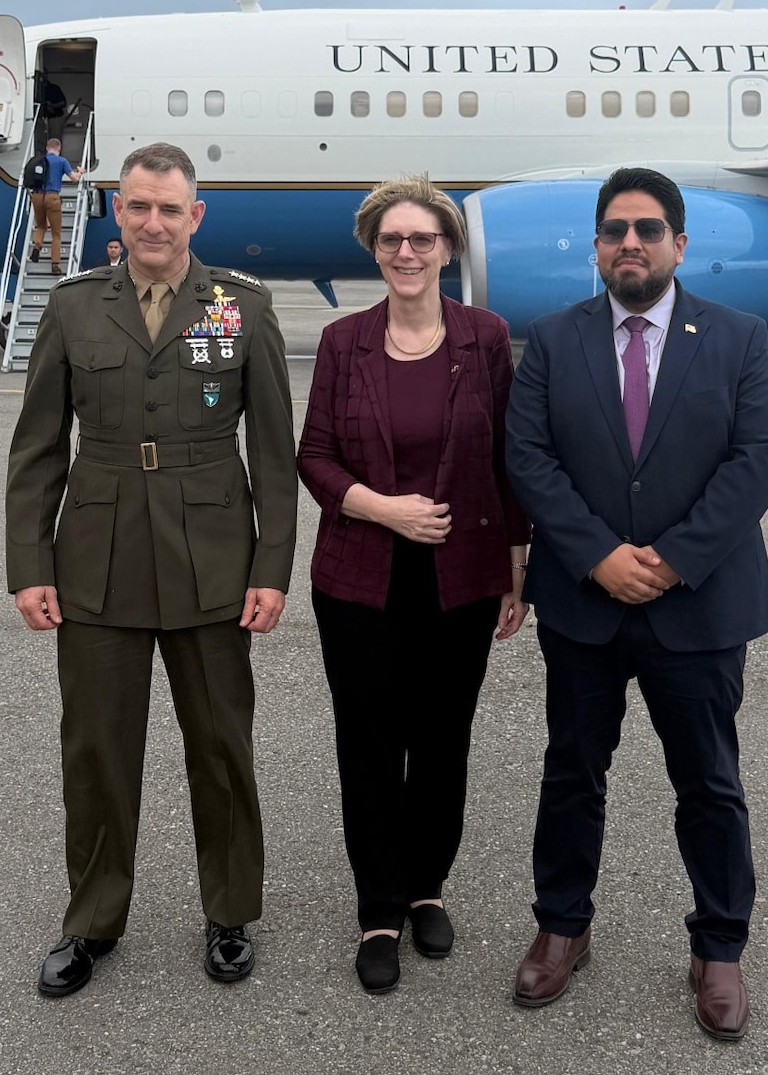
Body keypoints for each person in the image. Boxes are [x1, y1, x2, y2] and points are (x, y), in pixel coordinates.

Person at [5, 141, 297, 998]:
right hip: (94, 558)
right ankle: (92, 920)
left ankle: (230, 912)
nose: (154, 223)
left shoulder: (239, 308)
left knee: (219, 746)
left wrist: (271, 569)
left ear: (195, 216)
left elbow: (274, 457)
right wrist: (29, 565)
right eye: (138, 206)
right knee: (96, 751)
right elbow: (35, 450)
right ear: (117, 212)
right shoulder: (74, 307)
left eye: (171, 209)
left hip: (212, 562)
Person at [503, 167, 768, 1041]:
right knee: (571, 772)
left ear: (678, 245)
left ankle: (719, 945)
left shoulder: (738, 338)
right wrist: (596, 557)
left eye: (649, 229)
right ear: (594, 245)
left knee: (707, 782)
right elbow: (528, 457)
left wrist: (666, 561)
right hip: (585, 606)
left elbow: (755, 462)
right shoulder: (553, 340)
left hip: (696, 607)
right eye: (616, 229)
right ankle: (562, 925)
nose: (632, 242)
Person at [296, 175, 529, 995]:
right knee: (368, 746)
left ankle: (427, 885)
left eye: (421, 239)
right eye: (392, 240)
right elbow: (314, 455)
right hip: (359, 581)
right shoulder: (341, 341)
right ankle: (378, 909)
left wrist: (515, 565)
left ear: (445, 250)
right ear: (374, 249)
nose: (405, 252)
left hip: (460, 580)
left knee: (441, 744)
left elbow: (509, 459)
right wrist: (381, 510)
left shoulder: (485, 336)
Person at [29, 138, 77, 274]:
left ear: (47, 148)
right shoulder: (62, 161)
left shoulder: (39, 160)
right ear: (59, 148)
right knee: (56, 233)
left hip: (37, 196)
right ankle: (55, 265)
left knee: (41, 226)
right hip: (52, 196)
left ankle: (37, 246)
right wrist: (80, 172)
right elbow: (74, 178)